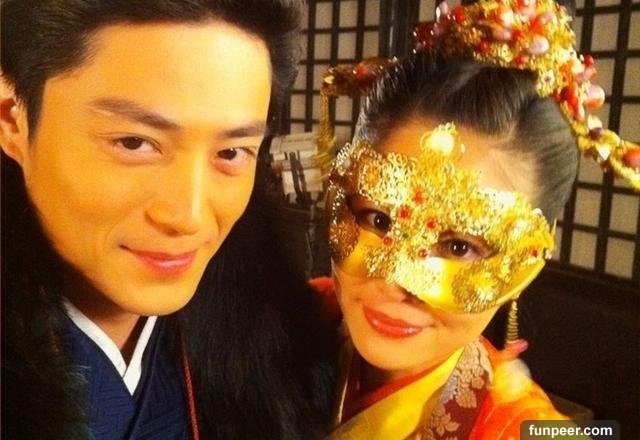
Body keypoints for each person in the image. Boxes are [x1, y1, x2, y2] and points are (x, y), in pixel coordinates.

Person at [1, 1, 335, 439]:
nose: (189, 217)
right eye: (134, 143)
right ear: (13, 120)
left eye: (231, 152)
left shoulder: (282, 343)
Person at [312, 0, 639, 438]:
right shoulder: (293, 315)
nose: (397, 279)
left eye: (459, 246)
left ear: (529, 259)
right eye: (379, 220)